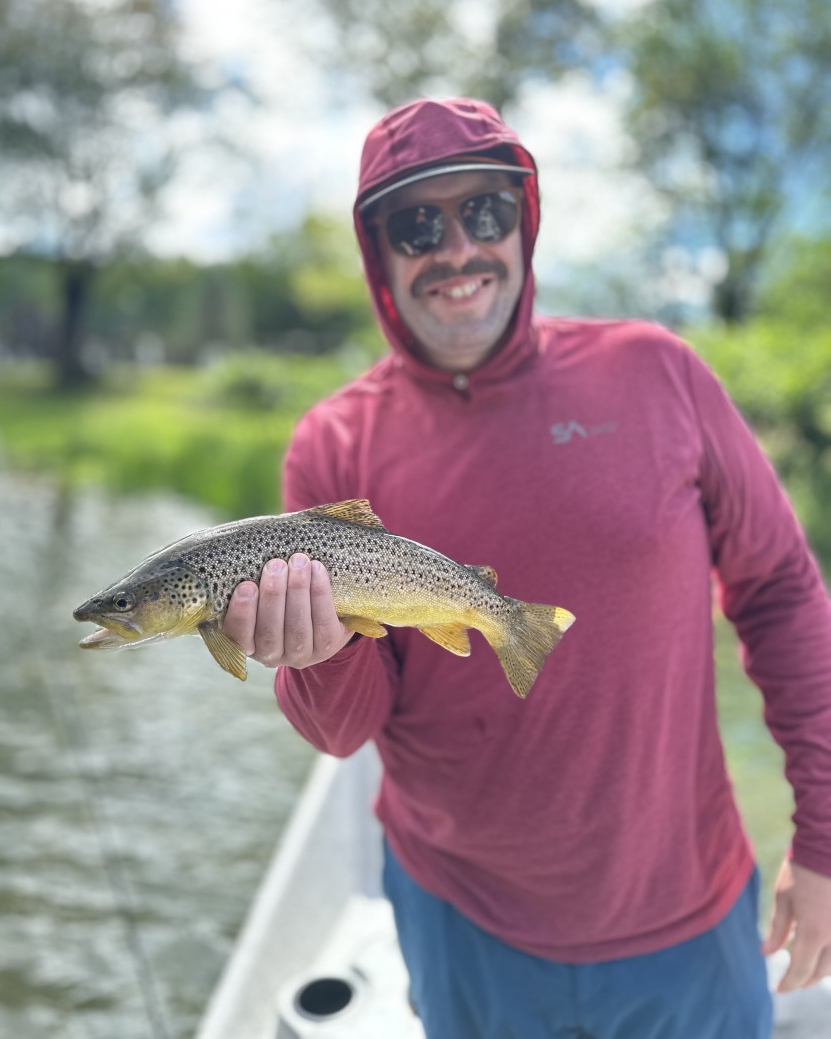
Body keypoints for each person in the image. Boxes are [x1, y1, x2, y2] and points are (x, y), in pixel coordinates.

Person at [222, 96, 831, 1038]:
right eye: (418, 224)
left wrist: (824, 836)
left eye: (487, 213)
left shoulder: (658, 371)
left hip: (687, 912)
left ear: (525, 221)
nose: (457, 249)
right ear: (379, 255)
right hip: (457, 915)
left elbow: (783, 591)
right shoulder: (333, 442)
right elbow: (345, 733)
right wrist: (319, 650)